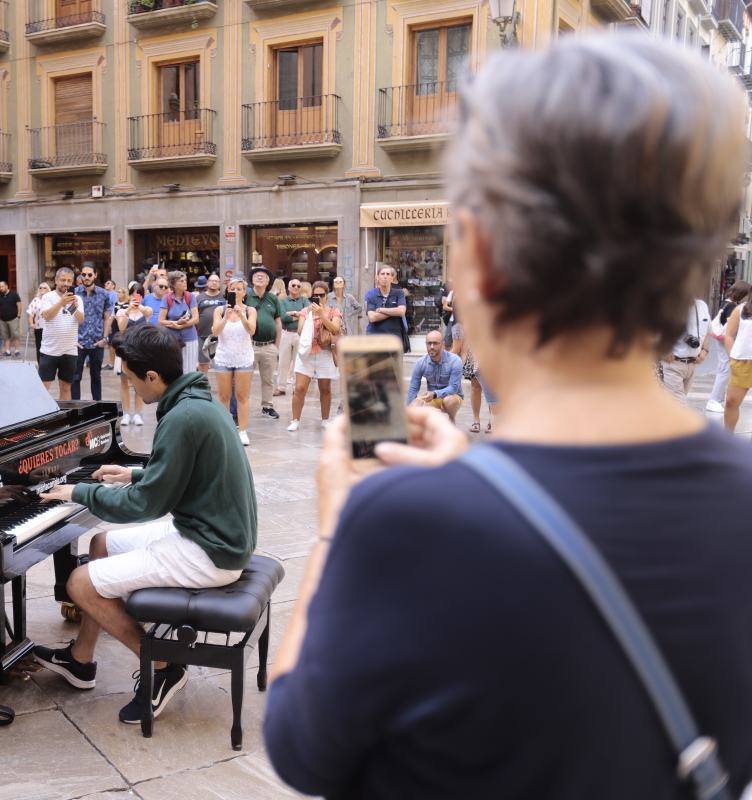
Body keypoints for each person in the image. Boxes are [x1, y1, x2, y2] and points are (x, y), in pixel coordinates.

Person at [265, 35, 752, 799]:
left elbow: (301, 747)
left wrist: (339, 523)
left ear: (483, 256)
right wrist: (472, 481)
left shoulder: (406, 522)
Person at [32, 325, 257, 723]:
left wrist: (78, 493)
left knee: (79, 583)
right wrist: (136, 473)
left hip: (212, 549)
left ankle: (162, 667)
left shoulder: (183, 417)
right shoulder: (194, 401)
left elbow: (147, 505)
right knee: (100, 544)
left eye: (132, 379)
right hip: (211, 530)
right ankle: (81, 661)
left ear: (153, 376)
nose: (131, 387)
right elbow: (178, 475)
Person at [286, 281, 342, 431]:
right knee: (300, 388)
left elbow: (335, 329)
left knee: (325, 388)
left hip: (325, 352)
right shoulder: (305, 311)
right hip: (307, 353)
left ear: (326, 296)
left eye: (321, 295)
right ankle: (295, 420)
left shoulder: (333, 311)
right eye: (315, 295)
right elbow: (299, 331)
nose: (318, 298)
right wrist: (311, 316)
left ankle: (325, 419)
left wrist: (322, 315)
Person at [210, 277, 257, 446]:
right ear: (228, 291)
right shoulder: (220, 310)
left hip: (243, 356)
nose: (235, 292)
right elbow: (215, 332)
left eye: (239, 289)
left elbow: (251, 330)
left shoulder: (250, 310)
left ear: (244, 293)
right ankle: (225, 429)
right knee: (223, 396)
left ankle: (242, 431)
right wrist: (226, 317)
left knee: (242, 396)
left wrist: (241, 314)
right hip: (224, 356)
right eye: (232, 289)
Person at [37, 267, 84, 400]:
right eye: (63, 280)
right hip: (49, 350)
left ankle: (65, 418)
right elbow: (46, 316)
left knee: (66, 388)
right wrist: (61, 302)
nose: (66, 283)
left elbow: (81, 320)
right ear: (56, 280)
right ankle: (43, 417)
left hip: (69, 351)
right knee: (43, 388)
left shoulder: (77, 299)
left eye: (69, 280)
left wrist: (71, 306)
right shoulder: (47, 297)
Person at [707, 281, 751, 413]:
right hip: (726, 341)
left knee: (723, 368)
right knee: (724, 369)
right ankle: (715, 400)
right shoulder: (733, 307)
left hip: (723, 340)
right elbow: (731, 329)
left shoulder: (726, 303)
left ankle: (716, 399)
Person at [657, 297, 711, 404]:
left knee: (672, 405)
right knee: (679, 405)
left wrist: (705, 350)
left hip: (692, 365)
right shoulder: (665, 303)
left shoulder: (702, 305)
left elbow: (708, 329)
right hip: (672, 364)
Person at [245, 266, 283, 419]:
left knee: (268, 380)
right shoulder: (246, 295)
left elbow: (278, 322)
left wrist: (277, 346)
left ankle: (267, 406)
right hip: (249, 346)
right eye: (256, 275)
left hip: (269, 346)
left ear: (269, 281)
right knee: (244, 378)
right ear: (252, 280)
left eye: (263, 276)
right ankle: (242, 406)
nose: (259, 277)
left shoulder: (273, 298)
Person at [72, 266, 112, 402]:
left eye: (90, 275)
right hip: (79, 342)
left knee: (96, 376)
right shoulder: (74, 293)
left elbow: (107, 317)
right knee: (75, 377)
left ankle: (97, 407)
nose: (87, 277)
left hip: (97, 342)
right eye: (84, 274)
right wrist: (73, 339)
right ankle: (75, 409)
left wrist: (105, 338)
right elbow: (69, 316)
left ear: (95, 275)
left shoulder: (104, 294)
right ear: (81, 276)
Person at [407, 330, 464, 421]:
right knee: (414, 405)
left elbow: (453, 388)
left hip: (453, 397)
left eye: (435, 343)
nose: (431, 347)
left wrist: (435, 394)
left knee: (449, 401)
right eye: (429, 343)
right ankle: (433, 417)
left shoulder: (455, 361)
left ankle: (451, 419)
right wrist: (410, 409)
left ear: (443, 344)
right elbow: (413, 389)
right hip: (432, 398)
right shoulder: (421, 363)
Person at [115, 290, 153, 426]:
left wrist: (139, 306)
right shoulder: (121, 311)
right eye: (133, 295)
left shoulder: (146, 309)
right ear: (129, 296)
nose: (135, 298)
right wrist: (129, 308)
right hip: (125, 350)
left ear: (142, 296)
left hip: (141, 351)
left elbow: (149, 314)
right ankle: (126, 413)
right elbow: (121, 327)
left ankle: (138, 413)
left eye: (139, 295)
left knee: (139, 383)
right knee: (124, 383)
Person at [158, 271, 200, 374]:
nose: (185, 282)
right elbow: (161, 320)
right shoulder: (167, 298)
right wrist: (176, 323)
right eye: (181, 281)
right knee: (173, 369)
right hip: (172, 339)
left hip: (189, 337)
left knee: (190, 370)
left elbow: (196, 319)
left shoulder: (190, 297)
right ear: (174, 284)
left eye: (185, 280)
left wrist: (181, 325)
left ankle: (188, 389)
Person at [723, 296, 752, 431]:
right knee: (731, 402)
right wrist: (731, 356)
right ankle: (728, 440)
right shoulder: (741, 309)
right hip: (742, 361)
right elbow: (728, 334)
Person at [276, 279, 308, 397]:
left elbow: (307, 314)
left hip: (300, 334)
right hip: (286, 333)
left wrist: (292, 314)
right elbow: (283, 317)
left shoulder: (305, 301)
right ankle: (281, 387)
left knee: (298, 362)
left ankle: (296, 388)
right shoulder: (282, 301)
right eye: (293, 285)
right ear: (289, 287)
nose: (296, 287)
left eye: (298, 286)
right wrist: (298, 315)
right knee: (283, 362)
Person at [364, 264, 407, 350]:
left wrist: (381, 310)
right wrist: (394, 311)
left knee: (394, 363)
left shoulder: (399, 293)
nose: (385, 277)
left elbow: (401, 312)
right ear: (377, 277)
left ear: (392, 278)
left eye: (388, 274)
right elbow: (372, 317)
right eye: (382, 274)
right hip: (375, 337)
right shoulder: (371, 294)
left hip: (394, 338)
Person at [194, 274, 226, 377]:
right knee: (203, 364)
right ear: (207, 283)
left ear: (220, 284)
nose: (214, 282)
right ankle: (204, 386)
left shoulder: (224, 297)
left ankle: (222, 387)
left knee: (221, 364)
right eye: (212, 280)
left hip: (220, 337)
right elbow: (194, 315)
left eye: (216, 281)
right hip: (202, 335)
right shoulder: (199, 297)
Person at [0, 280, 23, 358]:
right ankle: (7, 351)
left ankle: (17, 351)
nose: (1, 288)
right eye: (0, 287)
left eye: (2, 286)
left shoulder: (14, 294)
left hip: (13, 318)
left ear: (6, 286)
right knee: (5, 336)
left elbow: (19, 304)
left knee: (15, 335)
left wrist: (18, 316)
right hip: (2, 320)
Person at [27, 283, 50, 356]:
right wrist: (31, 324)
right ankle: (40, 365)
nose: (42, 289)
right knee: (39, 346)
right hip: (39, 327)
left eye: (44, 288)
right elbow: (31, 314)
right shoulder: (35, 300)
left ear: (48, 289)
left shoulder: (51, 299)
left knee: (49, 347)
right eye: (40, 288)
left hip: (50, 327)